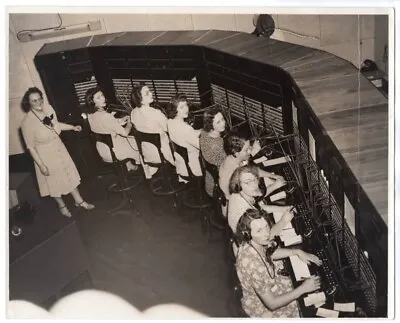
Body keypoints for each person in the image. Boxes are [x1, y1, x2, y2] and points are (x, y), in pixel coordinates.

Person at [20, 87, 95, 217]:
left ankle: (79, 201)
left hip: (59, 148)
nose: (38, 103)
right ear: (29, 103)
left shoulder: (48, 108)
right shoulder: (27, 123)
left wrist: (72, 127)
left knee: (68, 174)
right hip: (45, 155)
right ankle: (62, 206)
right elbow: (31, 147)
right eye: (34, 101)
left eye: (39, 99)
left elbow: (56, 126)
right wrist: (41, 165)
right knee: (53, 182)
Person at [235, 208, 322, 318]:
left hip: (271, 288)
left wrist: (296, 252)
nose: (266, 233)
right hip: (263, 308)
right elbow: (272, 304)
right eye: (259, 230)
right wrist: (303, 288)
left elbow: (268, 253)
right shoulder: (252, 264)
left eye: (266, 226)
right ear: (247, 234)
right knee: (308, 307)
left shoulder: (253, 243)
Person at [85, 87, 140, 172]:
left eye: (102, 95)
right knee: (138, 143)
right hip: (115, 152)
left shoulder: (90, 115)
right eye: (98, 97)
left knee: (128, 140)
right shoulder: (106, 116)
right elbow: (125, 133)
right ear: (92, 102)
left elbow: (104, 125)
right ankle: (148, 170)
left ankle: (129, 165)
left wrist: (119, 121)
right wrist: (130, 123)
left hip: (103, 150)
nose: (103, 98)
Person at [227, 165, 295, 234]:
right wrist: (283, 221)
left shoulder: (241, 195)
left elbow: (260, 209)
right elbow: (267, 236)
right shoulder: (246, 214)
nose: (254, 184)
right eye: (248, 182)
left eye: (255, 178)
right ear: (238, 186)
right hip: (249, 240)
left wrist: (284, 209)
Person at [219, 132, 285, 201]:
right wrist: (275, 186)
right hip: (240, 201)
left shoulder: (233, 158)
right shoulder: (235, 174)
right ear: (236, 153)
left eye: (250, 146)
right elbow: (253, 198)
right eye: (246, 150)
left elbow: (252, 170)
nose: (250, 151)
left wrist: (273, 176)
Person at [130, 83, 174, 179]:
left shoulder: (133, 112)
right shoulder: (156, 113)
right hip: (161, 153)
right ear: (140, 99)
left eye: (149, 91)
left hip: (146, 153)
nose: (151, 93)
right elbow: (170, 129)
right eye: (147, 93)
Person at [166, 93, 202, 178]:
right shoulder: (186, 129)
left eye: (186, 105)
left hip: (181, 163)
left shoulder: (170, 122)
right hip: (193, 165)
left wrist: (201, 131)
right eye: (181, 107)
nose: (186, 109)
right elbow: (203, 146)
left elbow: (186, 135)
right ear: (174, 110)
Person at [199, 104, 227, 197]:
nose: (223, 123)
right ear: (210, 125)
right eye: (218, 122)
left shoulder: (204, 133)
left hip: (210, 180)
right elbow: (229, 165)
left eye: (222, 119)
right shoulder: (217, 143)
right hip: (218, 186)